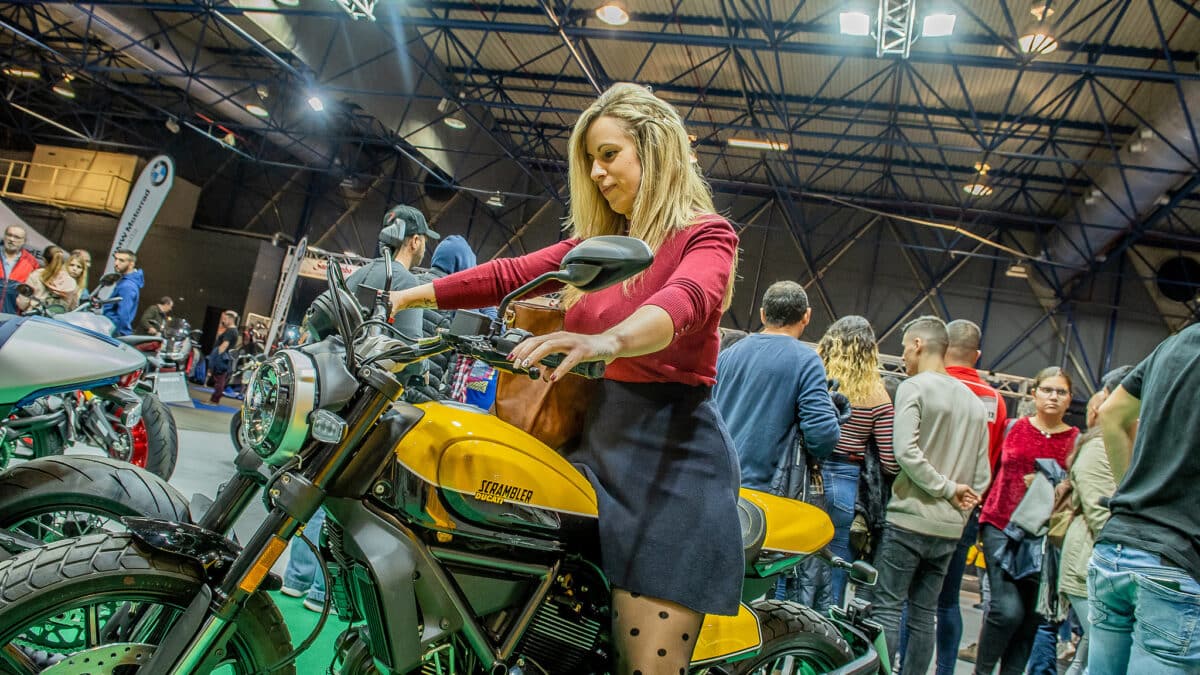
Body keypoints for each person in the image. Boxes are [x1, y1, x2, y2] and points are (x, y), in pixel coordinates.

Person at [389, 83, 743, 674]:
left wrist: (610, 340)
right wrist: (408, 294)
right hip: (589, 442)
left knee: (646, 667)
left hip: (669, 461)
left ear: (653, 151)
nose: (598, 172)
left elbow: (686, 300)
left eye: (609, 155)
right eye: (590, 161)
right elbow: (512, 273)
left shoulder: (706, 235)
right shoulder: (598, 246)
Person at [862, 315, 989, 675]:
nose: (903, 357)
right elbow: (982, 475)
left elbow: (905, 451)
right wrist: (957, 510)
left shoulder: (913, 387)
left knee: (887, 606)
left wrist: (944, 489)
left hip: (908, 519)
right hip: (949, 529)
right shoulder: (975, 403)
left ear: (918, 344)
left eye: (904, 348)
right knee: (924, 613)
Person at [714, 280, 841, 609]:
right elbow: (823, 436)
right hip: (765, 497)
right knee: (755, 598)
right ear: (807, 317)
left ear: (762, 314)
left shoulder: (730, 354)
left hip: (718, 485)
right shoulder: (806, 360)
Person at [1087, 324, 1200, 674]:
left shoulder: (1177, 343)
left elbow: (1111, 413)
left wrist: (1131, 494)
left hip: (1115, 551)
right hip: (1175, 566)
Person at [973, 366, 1079, 675]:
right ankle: (981, 671)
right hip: (1001, 525)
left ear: (1070, 399)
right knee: (1006, 611)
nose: (1053, 396)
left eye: (1061, 392)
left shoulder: (1075, 440)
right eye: (1047, 389)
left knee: (1031, 619)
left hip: (1045, 537)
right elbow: (991, 468)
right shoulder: (1013, 427)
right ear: (1034, 393)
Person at [930, 319, 1008, 675]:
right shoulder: (996, 401)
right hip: (965, 511)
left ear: (942, 347)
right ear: (977, 355)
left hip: (921, 502)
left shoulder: (926, 386)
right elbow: (992, 462)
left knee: (911, 600)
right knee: (948, 601)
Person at [813, 315, 898, 605]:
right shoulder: (878, 395)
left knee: (791, 562)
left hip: (806, 472)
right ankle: (826, 640)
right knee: (837, 565)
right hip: (846, 483)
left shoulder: (815, 379)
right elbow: (889, 461)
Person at [1056, 388, 1116, 675]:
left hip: (1098, 560)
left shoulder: (1115, 444)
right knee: (1097, 652)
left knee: (1089, 655)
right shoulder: (1098, 446)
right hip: (1087, 559)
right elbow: (1099, 512)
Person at [412, 235, 498, 407]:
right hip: (427, 393)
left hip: (396, 384)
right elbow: (489, 339)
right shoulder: (461, 301)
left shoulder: (412, 283)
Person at [342, 204, 438, 341]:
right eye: (424, 241)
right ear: (415, 241)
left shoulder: (357, 274)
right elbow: (408, 351)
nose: (424, 248)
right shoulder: (407, 282)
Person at [19, 248, 78, 314]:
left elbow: (22, 304)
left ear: (44, 260)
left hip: (34, 318)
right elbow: (73, 307)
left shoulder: (35, 276)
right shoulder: (71, 282)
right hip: (56, 321)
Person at [103, 249, 143, 336]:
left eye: (121, 260)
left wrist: (117, 335)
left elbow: (123, 316)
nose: (116, 263)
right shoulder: (126, 282)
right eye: (116, 259)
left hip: (113, 332)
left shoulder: (127, 286)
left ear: (131, 264)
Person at [1, 225, 39, 314]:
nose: (11, 239)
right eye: (9, 235)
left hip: (11, 317)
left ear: (24, 241)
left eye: (16, 237)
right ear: (4, 236)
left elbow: (32, 293)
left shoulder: (32, 263)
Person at [207, 310, 239, 404]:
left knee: (220, 379)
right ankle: (214, 399)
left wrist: (216, 357)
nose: (223, 321)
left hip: (222, 358)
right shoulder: (232, 331)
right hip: (224, 357)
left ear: (230, 319)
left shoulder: (231, 331)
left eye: (225, 319)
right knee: (219, 379)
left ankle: (215, 400)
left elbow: (224, 345)